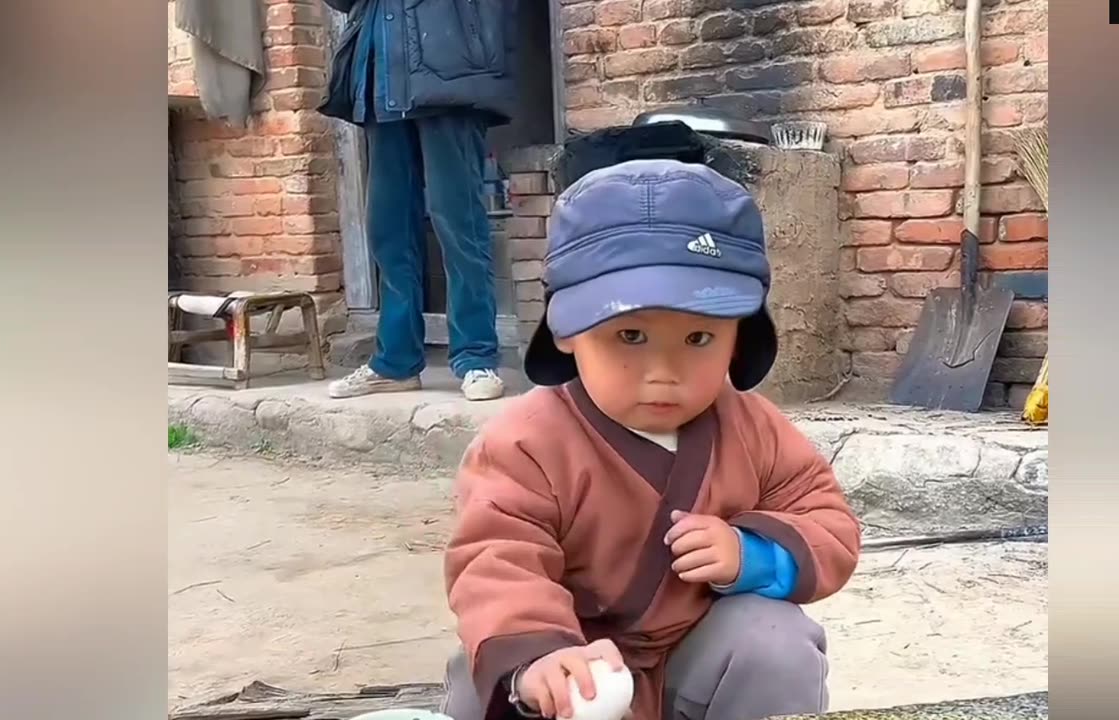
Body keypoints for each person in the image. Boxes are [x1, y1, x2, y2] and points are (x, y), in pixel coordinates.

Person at [439, 159, 862, 720]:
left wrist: (752, 555)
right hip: (574, 670)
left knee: (775, 641)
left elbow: (826, 520)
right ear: (566, 330)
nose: (664, 370)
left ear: (740, 338)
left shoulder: (753, 427)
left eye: (698, 336)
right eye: (630, 335)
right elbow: (497, 559)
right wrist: (536, 657)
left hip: (699, 663)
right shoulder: (526, 442)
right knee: (483, 685)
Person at [317, 0, 517, 401]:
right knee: (388, 231)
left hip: (450, 68)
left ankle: (476, 356)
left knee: (459, 223)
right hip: (380, 73)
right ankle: (395, 362)